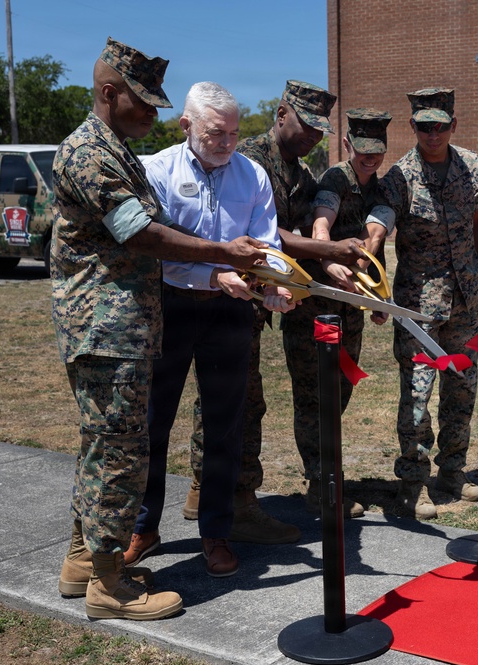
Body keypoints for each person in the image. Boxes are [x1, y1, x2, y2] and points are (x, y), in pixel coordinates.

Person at [51, 38, 268, 621]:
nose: (153, 113)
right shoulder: (91, 154)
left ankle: (84, 562)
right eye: (143, 101)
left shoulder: (116, 149)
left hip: (127, 326)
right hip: (107, 328)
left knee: (107, 447)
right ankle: (108, 585)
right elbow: (141, 234)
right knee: (121, 451)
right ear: (107, 93)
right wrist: (223, 252)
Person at [120, 82, 296, 578]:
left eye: (235, 134)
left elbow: (263, 245)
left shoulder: (252, 174)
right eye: (216, 133)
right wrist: (214, 271)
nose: (227, 143)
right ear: (186, 126)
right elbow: (155, 245)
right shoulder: (157, 171)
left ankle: (216, 532)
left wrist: (273, 287)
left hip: (230, 315)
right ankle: (143, 526)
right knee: (154, 422)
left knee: (225, 427)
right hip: (170, 308)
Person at [181, 80, 368, 535]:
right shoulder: (243, 158)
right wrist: (326, 252)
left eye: (321, 132)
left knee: (255, 393)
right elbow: (272, 235)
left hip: (264, 300)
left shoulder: (301, 175)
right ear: (282, 113)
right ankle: (222, 497)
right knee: (234, 397)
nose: (312, 137)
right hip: (216, 290)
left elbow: (301, 235)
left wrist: (334, 258)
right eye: (306, 125)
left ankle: (211, 491)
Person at [364, 88, 478, 520]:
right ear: (413, 127)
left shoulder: (474, 167)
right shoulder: (399, 178)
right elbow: (378, 226)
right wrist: (373, 276)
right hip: (418, 306)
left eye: (440, 126)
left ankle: (453, 473)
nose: (432, 134)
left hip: (465, 299)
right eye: (423, 126)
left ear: (453, 125)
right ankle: (412, 484)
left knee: (463, 388)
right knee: (418, 394)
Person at [281, 108, 393, 517]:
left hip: (350, 308)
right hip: (313, 307)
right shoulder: (334, 180)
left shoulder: (380, 190)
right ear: (348, 145)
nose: (369, 159)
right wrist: (329, 259)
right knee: (313, 394)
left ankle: (326, 474)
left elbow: (375, 236)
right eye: (362, 150)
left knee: (341, 391)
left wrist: (375, 292)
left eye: (376, 152)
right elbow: (321, 224)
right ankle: (320, 484)